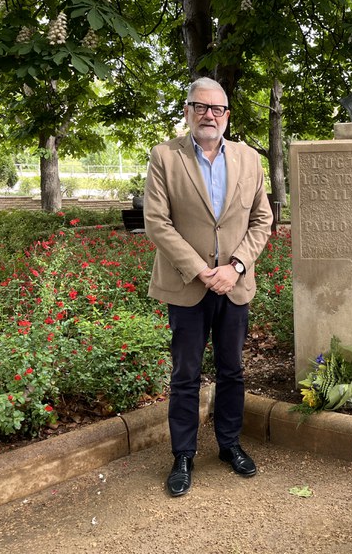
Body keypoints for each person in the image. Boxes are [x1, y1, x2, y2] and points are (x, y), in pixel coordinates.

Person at [144, 77, 273, 497]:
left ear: (227, 115)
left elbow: (262, 220)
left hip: (234, 285)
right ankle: (183, 454)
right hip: (187, 285)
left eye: (217, 109)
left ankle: (229, 444)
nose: (209, 115)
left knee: (232, 369)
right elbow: (157, 223)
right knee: (185, 374)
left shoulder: (249, 159)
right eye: (200, 107)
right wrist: (202, 270)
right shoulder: (165, 157)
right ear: (188, 111)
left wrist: (236, 266)